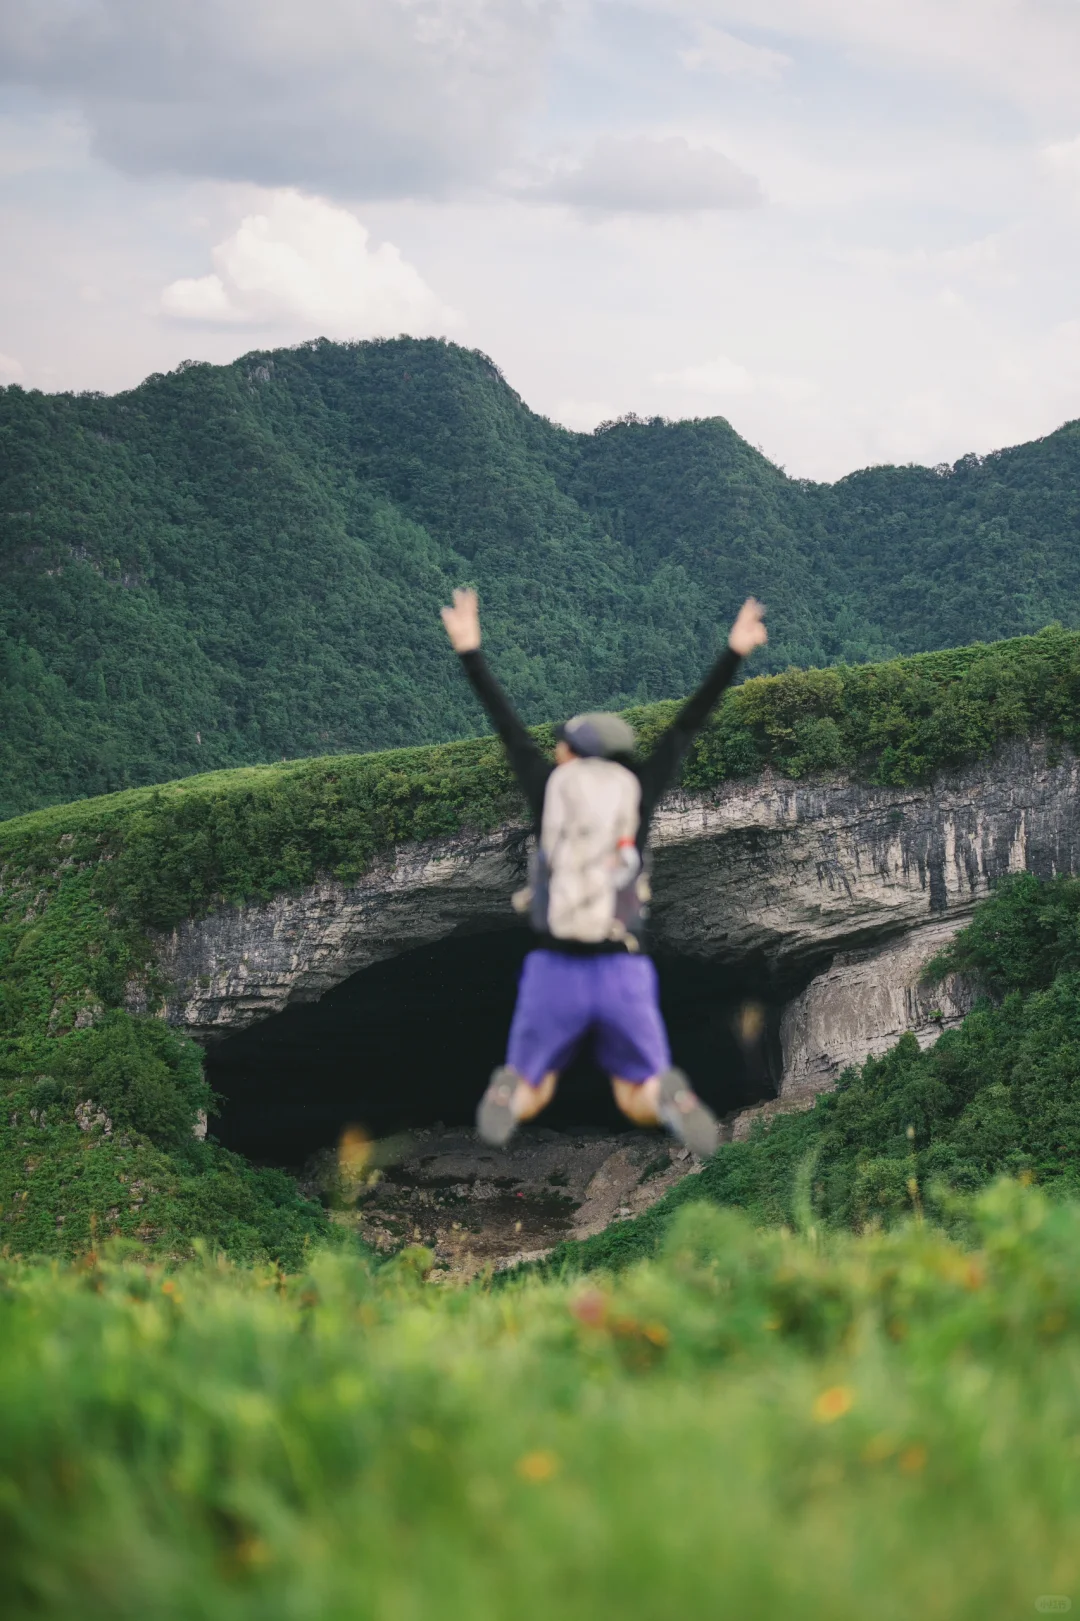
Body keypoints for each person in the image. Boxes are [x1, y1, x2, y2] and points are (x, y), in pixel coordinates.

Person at [440, 588, 768, 1153]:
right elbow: (686, 727)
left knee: (534, 1081)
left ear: (568, 753)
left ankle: (509, 1095)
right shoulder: (638, 792)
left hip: (555, 969)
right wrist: (733, 653)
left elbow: (509, 730)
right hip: (623, 973)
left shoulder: (548, 790)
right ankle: (671, 1097)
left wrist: (471, 651)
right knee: (634, 1088)